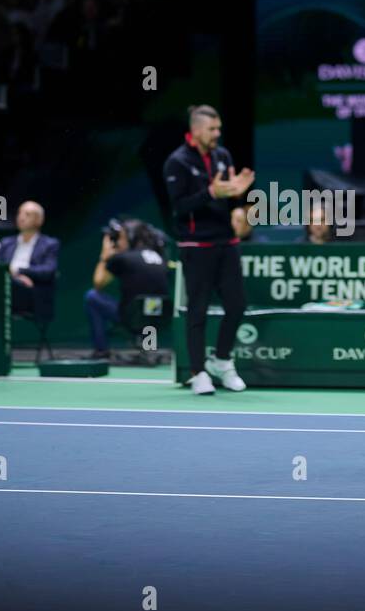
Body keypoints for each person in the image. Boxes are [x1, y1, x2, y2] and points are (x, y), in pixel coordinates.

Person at [164, 105, 255, 395]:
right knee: (198, 310)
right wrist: (212, 193)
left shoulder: (222, 156)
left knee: (237, 305)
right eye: (212, 129)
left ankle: (223, 360)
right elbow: (179, 206)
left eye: (219, 129)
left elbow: (225, 194)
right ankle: (198, 371)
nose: (218, 134)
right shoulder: (176, 162)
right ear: (197, 129)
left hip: (225, 242)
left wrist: (235, 192)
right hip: (195, 244)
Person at [87, 219, 171, 358]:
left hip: (133, 318)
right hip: (159, 319)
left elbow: (98, 283)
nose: (118, 242)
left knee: (92, 296)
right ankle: (149, 347)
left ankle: (101, 350)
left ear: (131, 237)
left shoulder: (125, 258)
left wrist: (105, 255)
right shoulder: (159, 257)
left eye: (121, 238)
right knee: (147, 305)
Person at [0, 201, 60, 323]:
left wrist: (19, 272)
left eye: (27, 214)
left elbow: (49, 270)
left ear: (39, 220)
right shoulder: (6, 242)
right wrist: (16, 277)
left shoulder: (50, 244)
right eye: (20, 213)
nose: (21, 217)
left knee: (12, 284)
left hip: (32, 294)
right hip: (4, 286)